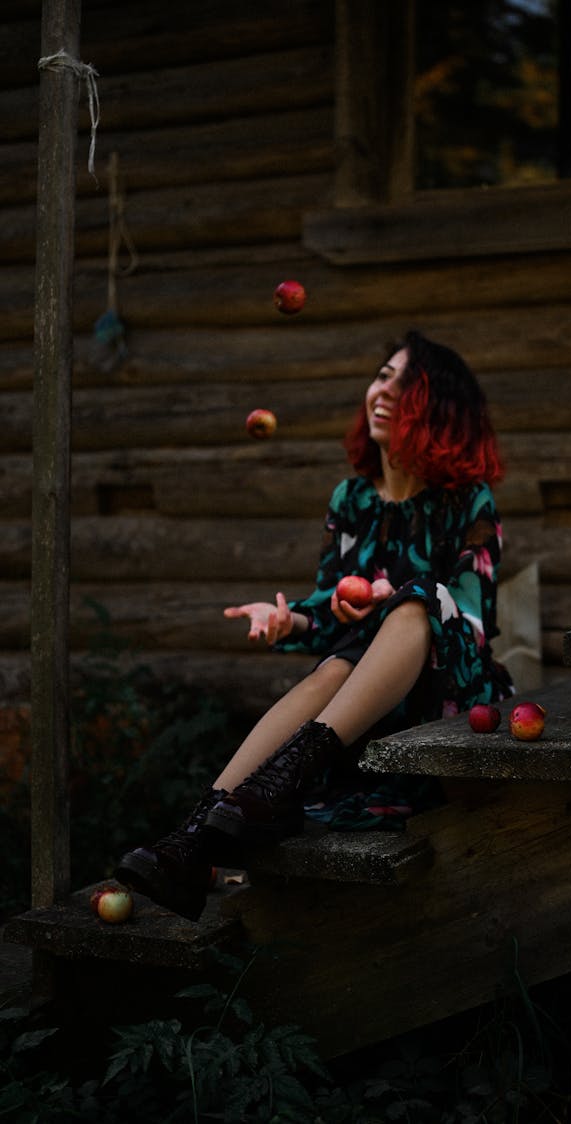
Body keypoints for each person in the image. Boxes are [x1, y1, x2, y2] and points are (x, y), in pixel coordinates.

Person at [114, 330, 512, 920]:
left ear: (438, 409)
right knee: (337, 666)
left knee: (420, 598)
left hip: (450, 697)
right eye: (381, 375)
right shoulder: (351, 499)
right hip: (359, 699)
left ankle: (274, 785)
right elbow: (333, 609)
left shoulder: (468, 502)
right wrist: (292, 619)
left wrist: (396, 596)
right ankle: (193, 840)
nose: (382, 390)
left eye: (404, 383)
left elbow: (474, 620)